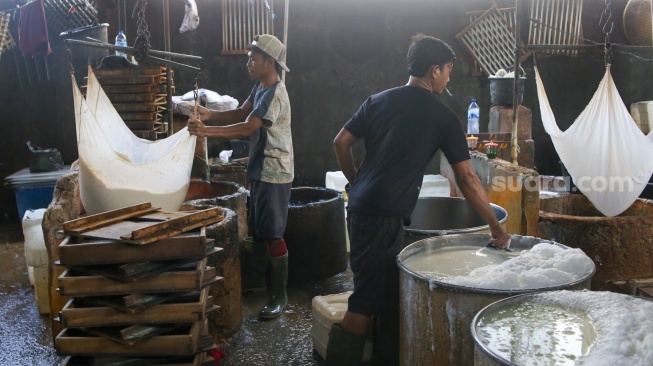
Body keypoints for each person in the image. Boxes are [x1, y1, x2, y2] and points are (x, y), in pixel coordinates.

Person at [326, 34, 511, 365]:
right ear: (435, 70)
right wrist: (495, 225)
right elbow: (467, 178)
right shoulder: (443, 118)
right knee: (364, 303)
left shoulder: (378, 100)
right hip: (382, 216)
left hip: (360, 208)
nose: (450, 77)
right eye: (449, 70)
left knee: (381, 294)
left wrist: (357, 182)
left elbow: (341, 143)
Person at [187, 34, 293, 320]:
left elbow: (248, 128)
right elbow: (241, 113)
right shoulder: (260, 86)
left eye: (253, 59)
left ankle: (279, 295)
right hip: (259, 169)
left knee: (273, 234)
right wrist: (209, 115)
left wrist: (206, 132)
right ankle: (258, 283)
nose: (248, 63)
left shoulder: (275, 94)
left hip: (275, 171)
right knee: (259, 231)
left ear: (269, 63)